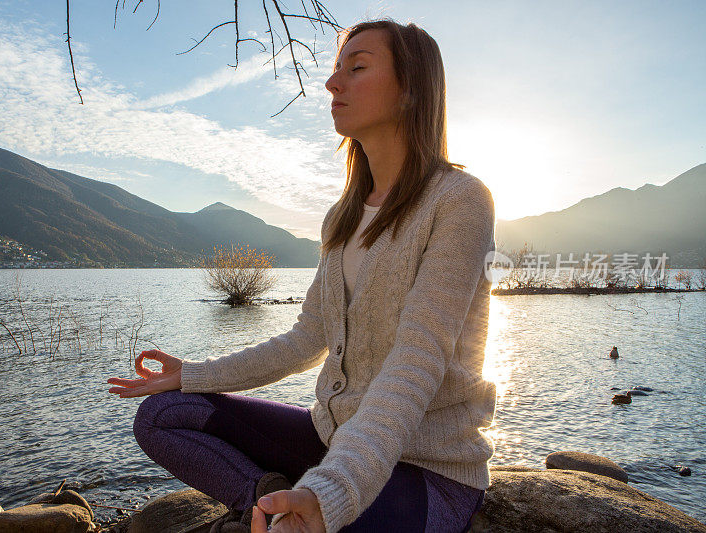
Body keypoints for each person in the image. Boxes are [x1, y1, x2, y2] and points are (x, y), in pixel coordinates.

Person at [107, 18, 497, 533]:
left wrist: (327, 495)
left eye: (356, 68)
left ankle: (292, 509)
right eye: (337, 69)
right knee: (162, 414)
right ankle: (264, 500)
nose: (333, 83)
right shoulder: (343, 216)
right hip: (331, 440)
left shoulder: (459, 200)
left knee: (321, 521)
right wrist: (193, 375)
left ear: (410, 90)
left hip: (426, 472)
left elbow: (416, 360)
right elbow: (306, 339)